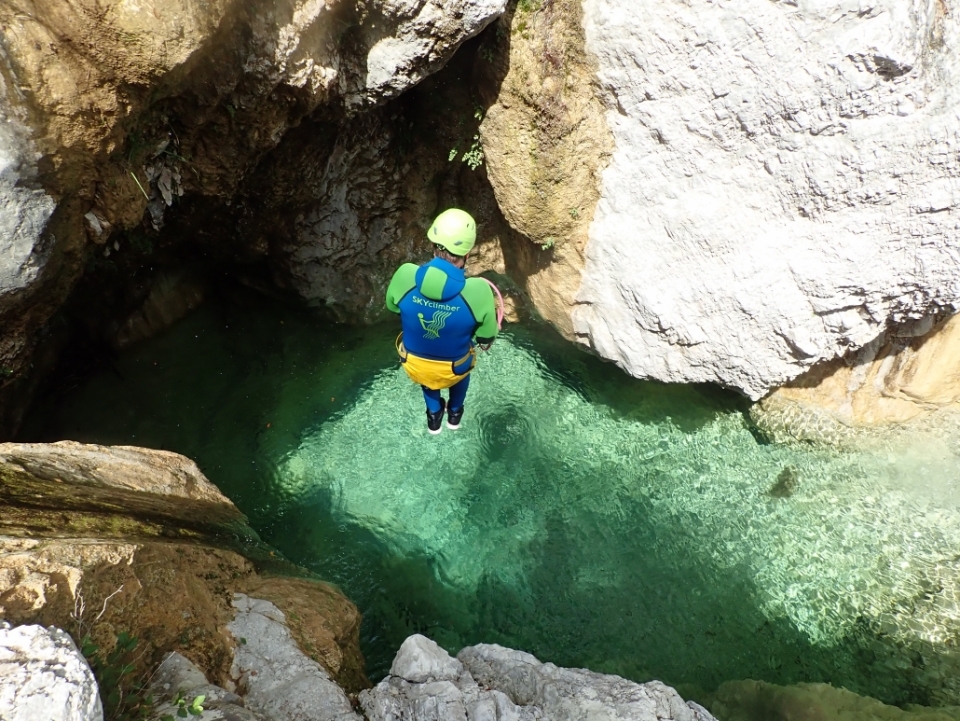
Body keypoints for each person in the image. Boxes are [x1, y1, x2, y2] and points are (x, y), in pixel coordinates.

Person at [386, 208, 499, 434]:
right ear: (467, 254)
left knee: (427, 374)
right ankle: (454, 416)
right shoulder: (478, 291)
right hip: (454, 368)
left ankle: (434, 418)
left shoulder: (405, 274)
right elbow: (487, 336)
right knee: (460, 367)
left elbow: (392, 306)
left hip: (413, 364)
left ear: (433, 245)